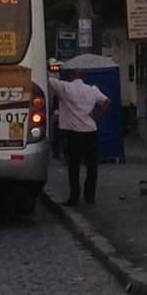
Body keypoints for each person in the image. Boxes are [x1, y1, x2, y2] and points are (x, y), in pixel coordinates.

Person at [48, 68, 110, 206]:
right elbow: (107, 101)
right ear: (83, 77)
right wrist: (97, 116)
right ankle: (90, 197)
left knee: (74, 166)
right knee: (91, 165)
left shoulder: (66, 88)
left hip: (74, 132)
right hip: (90, 130)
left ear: (72, 76)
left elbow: (50, 80)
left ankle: (74, 197)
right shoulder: (92, 89)